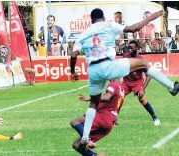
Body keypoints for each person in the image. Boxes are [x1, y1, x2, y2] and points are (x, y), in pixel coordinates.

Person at [70, 8, 179, 149]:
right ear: (103, 18)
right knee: (144, 64)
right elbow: (134, 28)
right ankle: (171, 87)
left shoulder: (84, 34)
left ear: (91, 20)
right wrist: (152, 17)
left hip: (93, 70)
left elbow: (73, 54)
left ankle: (85, 136)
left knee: (93, 104)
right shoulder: (109, 25)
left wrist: (72, 72)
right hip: (109, 65)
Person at [70, 79, 124, 156]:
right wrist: (114, 117)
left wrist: (89, 98)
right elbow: (117, 105)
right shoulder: (122, 89)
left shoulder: (114, 84)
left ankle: (87, 140)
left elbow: (107, 97)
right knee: (77, 145)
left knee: (75, 122)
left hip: (103, 117)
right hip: (108, 124)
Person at [122, 40, 160, 125]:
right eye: (128, 48)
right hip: (126, 81)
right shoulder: (125, 56)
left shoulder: (141, 60)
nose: (129, 50)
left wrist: (143, 89)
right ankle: (113, 118)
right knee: (118, 95)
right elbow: (120, 68)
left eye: (131, 48)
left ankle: (154, 117)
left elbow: (149, 75)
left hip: (137, 82)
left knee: (141, 98)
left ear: (137, 48)